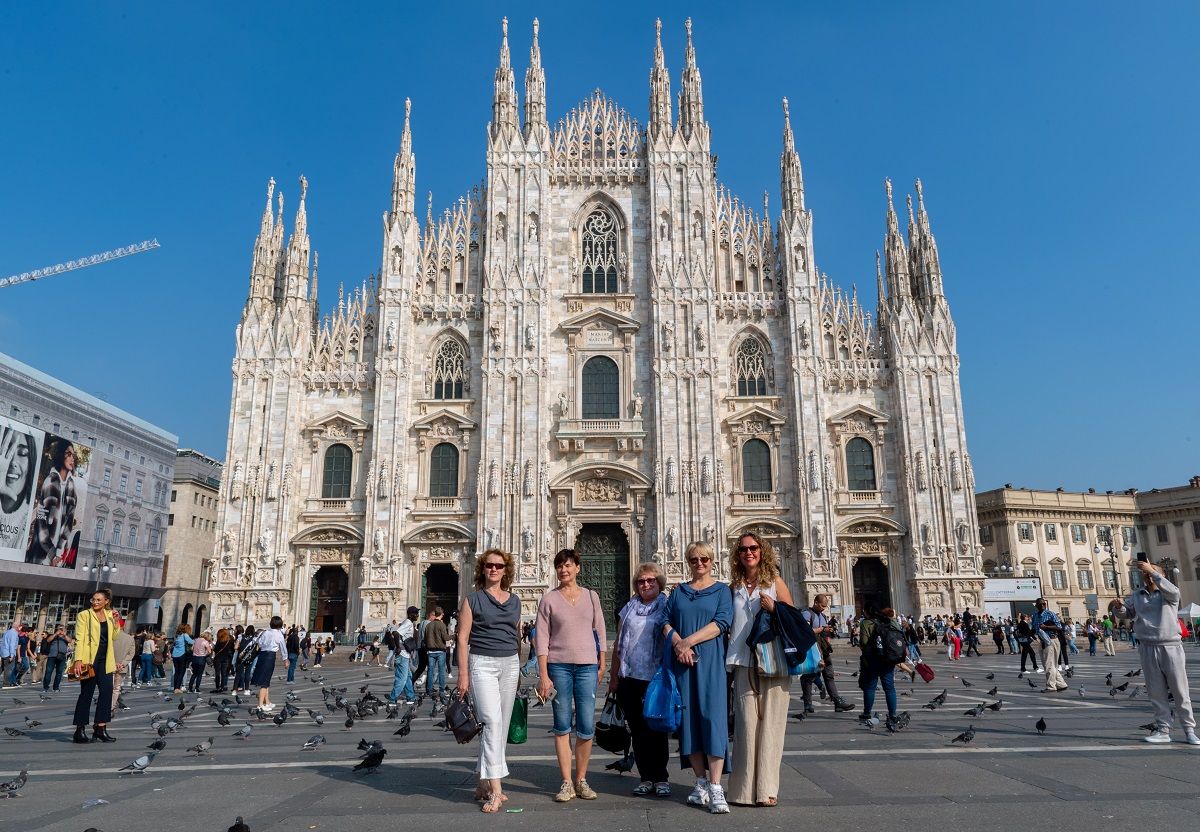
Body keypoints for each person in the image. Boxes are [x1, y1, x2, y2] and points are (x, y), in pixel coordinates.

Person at [660, 541, 734, 814]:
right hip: (683, 664)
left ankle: (716, 787)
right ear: (688, 562)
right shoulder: (679, 592)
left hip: (710, 662)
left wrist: (686, 642)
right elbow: (665, 621)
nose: (699, 563)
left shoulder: (722, 591)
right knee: (689, 723)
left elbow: (722, 622)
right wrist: (678, 642)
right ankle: (700, 782)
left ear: (712, 560)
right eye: (694, 559)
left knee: (713, 720)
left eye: (704, 558)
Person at [726, 533, 794, 807]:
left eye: (753, 548)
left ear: (762, 551)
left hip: (773, 662)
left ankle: (766, 790)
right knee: (745, 727)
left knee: (772, 727)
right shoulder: (733, 587)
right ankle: (742, 790)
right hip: (743, 661)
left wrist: (774, 606)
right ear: (737, 555)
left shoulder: (774, 582)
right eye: (743, 549)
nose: (748, 552)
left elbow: (792, 617)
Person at [535, 548, 607, 803]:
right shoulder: (548, 599)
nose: (563, 570)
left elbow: (599, 628)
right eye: (559, 566)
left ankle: (582, 779)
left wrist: (602, 662)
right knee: (562, 723)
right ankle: (567, 782)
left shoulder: (591, 596)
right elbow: (541, 639)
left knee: (587, 725)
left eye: (568, 565)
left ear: (577, 567)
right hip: (559, 667)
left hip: (587, 665)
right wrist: (543, 675)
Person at [456, 548, 521, 814]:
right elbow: (462, 638)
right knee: (491, 722)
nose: (494, 569)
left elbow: (515, 634)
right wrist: (463, 674)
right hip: (482, 663)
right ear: (483, 569)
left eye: (499, 566)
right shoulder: (472, 600)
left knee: (500, 726)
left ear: (506, 570)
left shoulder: (515, 600)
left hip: (509, 663)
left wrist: (520, 667)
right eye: (490, 565)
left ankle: (483, 782)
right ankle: (496, 790)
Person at [1110, 561, 1198, 744]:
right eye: (1147, 574)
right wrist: (1119, 608)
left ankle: (1189, 730)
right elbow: (1127, 614)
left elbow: (1175, 592)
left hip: (1170, 645)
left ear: (1162, 576)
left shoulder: (1168, 594)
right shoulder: (1137, 595)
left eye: (1152, 573)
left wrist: (1154, 572)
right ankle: (1163, 730)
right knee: (1156, 692)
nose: (1149, 576)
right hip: (1148, 646)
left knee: (1180, 691)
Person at [608, 563, 670, 797]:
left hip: (654, 677)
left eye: (650, 580)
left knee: (656, 727)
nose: (646, 584)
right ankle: (646, 777)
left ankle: (661, 777)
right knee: (638, 729)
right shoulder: (629, 608)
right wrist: (614, 677)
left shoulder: (666, 606)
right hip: (629, 676)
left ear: (659, 583)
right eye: (641, 581)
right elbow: (618, 645)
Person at [70, 589, 118, 743]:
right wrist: (78, 660)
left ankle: (100, 728)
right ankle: (80, 730)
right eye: (94, 599)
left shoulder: (110, 615)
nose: (95, 602)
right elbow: (80, 638)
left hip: (106, 660)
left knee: (107, 692)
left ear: (106, 601)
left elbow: (114, 637)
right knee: (87, 694)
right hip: (89, 660)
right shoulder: (84, 615)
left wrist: (116, 623)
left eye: (99, 600)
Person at [800, 593, 854, 714]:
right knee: (809, 676)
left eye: (825, 606)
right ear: (816, 603)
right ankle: (807, 703)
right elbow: (805, 631)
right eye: (822, 606)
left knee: (829, 675)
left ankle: (837, 702)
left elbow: (824, 633)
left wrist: (829, 631)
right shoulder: (807, 614)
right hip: (812, 650)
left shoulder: (823, 616)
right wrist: (821, 629)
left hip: (823, 650)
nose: (824, 608)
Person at [857, 606, 904, 726]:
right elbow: (901, 637)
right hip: (888, 658)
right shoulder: (890, 621)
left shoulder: (866, 623)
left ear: (867, 612)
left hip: (872, 659)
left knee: (870, 687)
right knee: (889, 687)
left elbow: (863, 642)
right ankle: (892, 714)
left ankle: (867, 713)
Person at [1031, 599, 1067, 692]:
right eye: (1040, 604)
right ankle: (1061, 684)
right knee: (1050, 664)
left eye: (1044, 604)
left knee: (1049, 664)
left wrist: (1046, 627)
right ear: (1036, 606)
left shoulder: (1050, 614)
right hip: (1042, 641)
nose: (1042, 605)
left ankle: (1051, 686)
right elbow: (1034, 628)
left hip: (1052, 640)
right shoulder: (1035, 615)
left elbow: (1059, 627)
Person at [253, 616, 288, 712]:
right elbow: (283, 647)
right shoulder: (279, 635)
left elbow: (258, 643)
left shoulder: (265, 632)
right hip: (270, 656)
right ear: (280, 625)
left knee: (266, 680)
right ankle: (260, 705)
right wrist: (285, 659)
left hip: (262, 655)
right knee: (264, 682)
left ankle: (267, 702)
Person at [387, 607, 419, 704]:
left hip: (405, 655)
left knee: (408, 676)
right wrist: (398, 647)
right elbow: (396, 633)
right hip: (402, 655)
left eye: (417, 613)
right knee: (402, 678)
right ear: (410, 614)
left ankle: (410, 697)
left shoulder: (409, 623)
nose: (417, 615)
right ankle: (392, 698)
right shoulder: (408, 623)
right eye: (415, 613)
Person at [422, 607, 450, 699]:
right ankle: (441, 690)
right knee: (441, 671)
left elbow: (425, 639)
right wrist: (454, 636)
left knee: (430, 671)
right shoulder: (442, 625)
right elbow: (445, 638)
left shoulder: (428, 625)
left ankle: (429, 689)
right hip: (440, 651)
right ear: (441, 614)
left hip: (430, 651)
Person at [112, 617, 135, 710]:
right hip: (122, 667)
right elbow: (131, 653)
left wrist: (114, 663)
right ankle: (111, 707)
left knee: (107, 688)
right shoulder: (129, 638)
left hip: (110, 666)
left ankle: (105, 706)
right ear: (123, 625)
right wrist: (123, 663)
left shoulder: (110, 636)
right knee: (116, 688)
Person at [41, 625, 70, 692]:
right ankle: (46, 687)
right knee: (48, 672)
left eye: (62, 629)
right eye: (60, 629)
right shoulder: (53, 636)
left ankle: (56, 687)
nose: (61, 631)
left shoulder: (65, 637)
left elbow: (70, 640)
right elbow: (48, 640)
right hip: (52, 656)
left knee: (59, 673)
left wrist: (64, 635)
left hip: (62, 657)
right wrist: (56, 634)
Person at [170, 624, 194, 693]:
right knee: (181, 672)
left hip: (175, 655)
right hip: (181, 655)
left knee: (176, 672)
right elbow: (191, 642)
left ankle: (175, 687)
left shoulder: (177, 635)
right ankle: (177, 688)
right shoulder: (184, 635)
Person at [233, 625, 257, 694]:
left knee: (238, 674)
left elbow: (235, 647)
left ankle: (234, 690)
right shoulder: (254, 639)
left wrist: (241, 649)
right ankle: (246, 690)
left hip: (240, 657)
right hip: (249, 658)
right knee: (247, 673)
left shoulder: (241, 637)